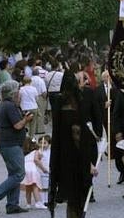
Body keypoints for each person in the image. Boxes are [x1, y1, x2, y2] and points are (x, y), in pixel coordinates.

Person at [48, 68, 101, 218]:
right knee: (78, 200)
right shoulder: (76, 104)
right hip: (76, 159)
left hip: (63, 158)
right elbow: (76, 135)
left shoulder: (59, 102)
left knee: (73, 201)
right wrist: (88, 163)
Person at [0, 80, 34, 215]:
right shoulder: (10, 106)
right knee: (19, 174)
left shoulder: (4, 105)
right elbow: (18, 125)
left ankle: (12, 204)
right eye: (18, 91)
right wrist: (26, 119)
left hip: (8, 143)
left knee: (14, 174)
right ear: (13, 93)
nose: (20, 94)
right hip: (11, 144)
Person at [20, 139, 48, 209]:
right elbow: (36, 160)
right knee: (35, 186)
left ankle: (28, 204)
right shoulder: (36, 152)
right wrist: (43, 169)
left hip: (25, 170)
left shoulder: (24, 154)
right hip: (32, 170)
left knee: (28, 188)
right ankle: (38, 202)